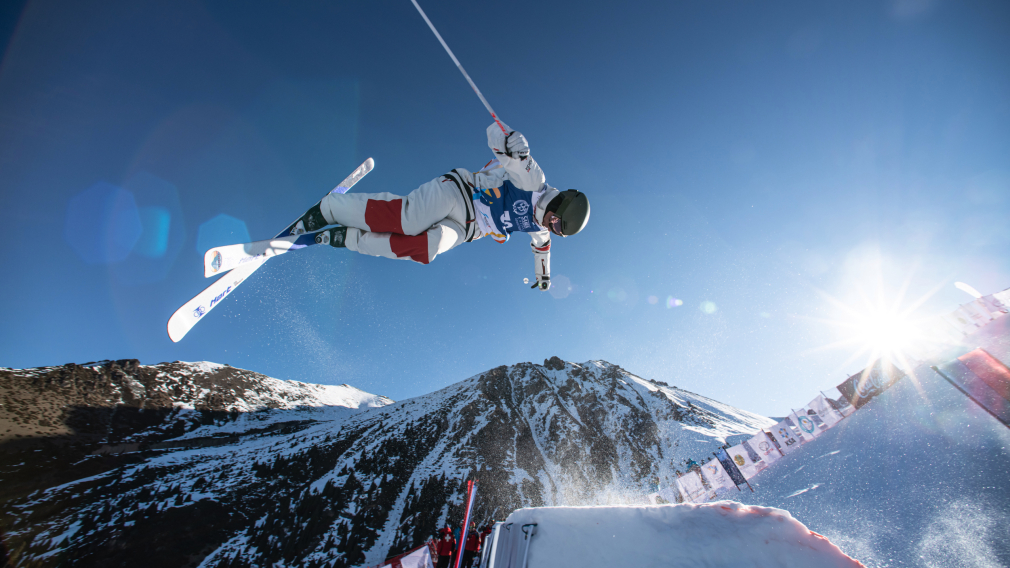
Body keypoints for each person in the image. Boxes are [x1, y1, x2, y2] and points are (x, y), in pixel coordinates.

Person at [292, 123, 590, 290]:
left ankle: (349, 238)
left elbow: (542, 250)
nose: (551, 226)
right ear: (561, 202)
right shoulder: (533, 181)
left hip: (466, 228)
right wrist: (511, 141)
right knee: (408, 220)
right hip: (459, 193)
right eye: (556, 220)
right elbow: (495, 137)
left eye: (557, 230)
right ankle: (327, 210)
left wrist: (544, 277)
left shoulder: (541, 230)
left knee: (426, 249)